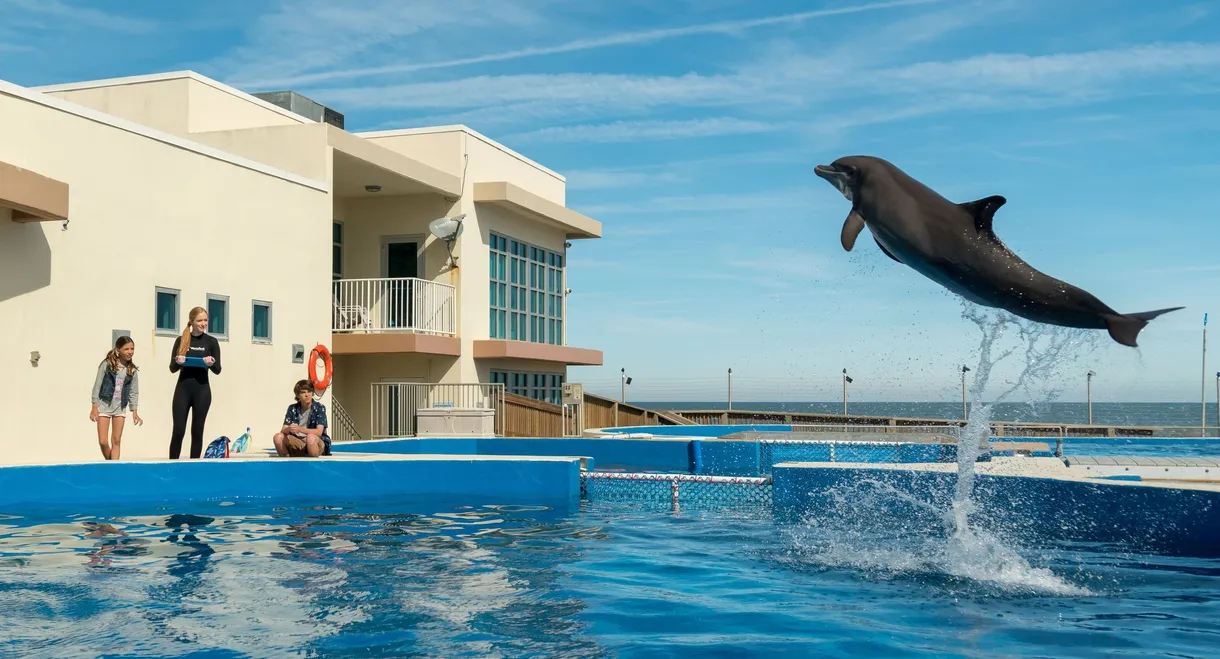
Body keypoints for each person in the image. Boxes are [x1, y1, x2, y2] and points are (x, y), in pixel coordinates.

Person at [168, 306, 222, 459]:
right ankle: (172, 465)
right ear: (192, 321)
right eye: (199, 320)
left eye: (205, 320)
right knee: (178, 430)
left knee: (197, 430)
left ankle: (194, 464)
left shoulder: (211, 342)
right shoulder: (181, 340)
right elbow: (172, 368)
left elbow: (218, 369)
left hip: (202, 391)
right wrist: (179, 361)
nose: (203, 323)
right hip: (183, 390)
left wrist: (211, 363)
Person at [89, 336, 143, 460]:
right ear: (118, 350)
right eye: (126, 349)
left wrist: (134, 411)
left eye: (132, 349)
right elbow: (97, 385)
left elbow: (134, 392)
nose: (130, 352)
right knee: (103, 441)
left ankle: (114, 467)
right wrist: (94, 406)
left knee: (116, 440)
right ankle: (111, 463)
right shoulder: (106, 365)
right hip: (104, 406)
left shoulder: (132, 370)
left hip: (120, 407)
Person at [273, 379, 331, 457]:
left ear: (312, 393)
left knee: (310, 438)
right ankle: (287, 463)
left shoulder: (319, 407)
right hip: (298, 440)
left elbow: (319, 432)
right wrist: (290, 428)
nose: (307, 395)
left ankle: (312, 466)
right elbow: (283, 430)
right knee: (278, 437)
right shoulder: (292, 408)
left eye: (309, 391)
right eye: (303, 392)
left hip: (316, 441)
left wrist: (300, 429)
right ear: (298, 395)